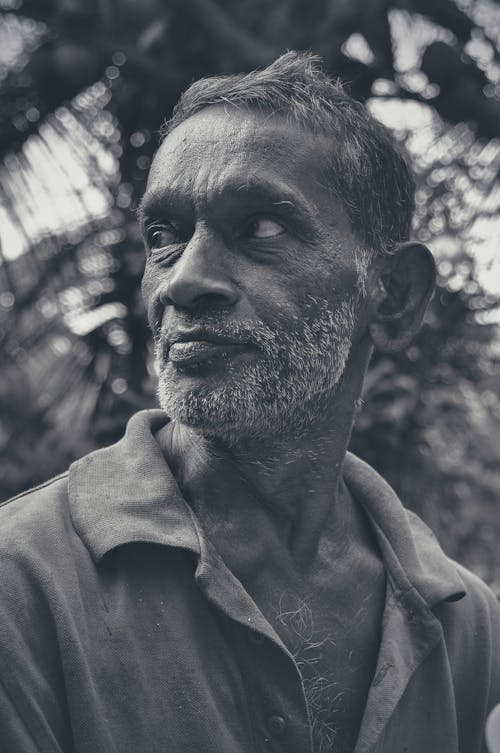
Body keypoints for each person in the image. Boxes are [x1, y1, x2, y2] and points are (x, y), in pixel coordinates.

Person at [0, 51, 499, 753]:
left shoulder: (464, 626)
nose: (185, 281)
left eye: (261, 227)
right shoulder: (24, 585)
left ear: (393, 294)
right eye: (164, 236)